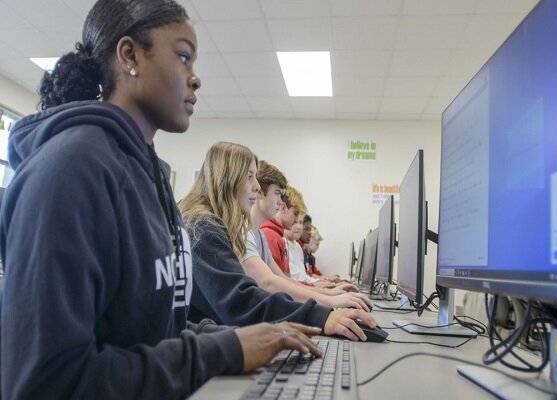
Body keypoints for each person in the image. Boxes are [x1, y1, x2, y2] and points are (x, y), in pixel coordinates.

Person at [0, 1, 322, 399]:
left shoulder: (148, 174)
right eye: (183, 57)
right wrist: (227, 349)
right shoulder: (70, 171)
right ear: (130, 55)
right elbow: (49, 383)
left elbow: (158, 328)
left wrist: (248, 338)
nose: (196, 78)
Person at [179, 142, 377, 340]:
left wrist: (325, 302)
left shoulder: (208, 226)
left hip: (208, 339)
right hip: (200, 348)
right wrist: (321, 315)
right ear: (226, 180)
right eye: (249, 177)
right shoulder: (202, 229)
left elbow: (275, 281)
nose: (257, 187)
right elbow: (243, 300)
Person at [242, 160, 370, 308]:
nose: (279, 202)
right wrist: (329, 299)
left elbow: (282, 278)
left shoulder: (260, 236)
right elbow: (268, 283)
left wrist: (327, 294)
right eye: (277, 194)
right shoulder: (251, 234)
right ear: (259, 194)